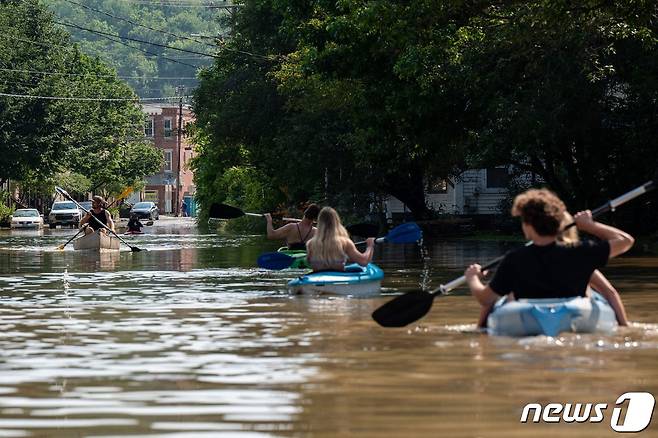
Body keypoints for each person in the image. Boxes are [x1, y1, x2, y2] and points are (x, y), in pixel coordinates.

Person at [464, 188, 634, 328]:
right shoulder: (580, 252)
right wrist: (590, 226)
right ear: (559, 222)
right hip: (574, 316)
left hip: (528, 320)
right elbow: (626, 241)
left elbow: (485, 299)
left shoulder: (514, 259)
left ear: (527, 225)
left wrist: (472, 278)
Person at [306, 206, 375, 271]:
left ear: (319, 223)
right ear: (336, 222)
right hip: (338, 280)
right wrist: (370, 246)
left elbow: (309, 262)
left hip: (316, 280)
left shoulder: (310, 244)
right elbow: (363, 261)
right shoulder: (345, 243)